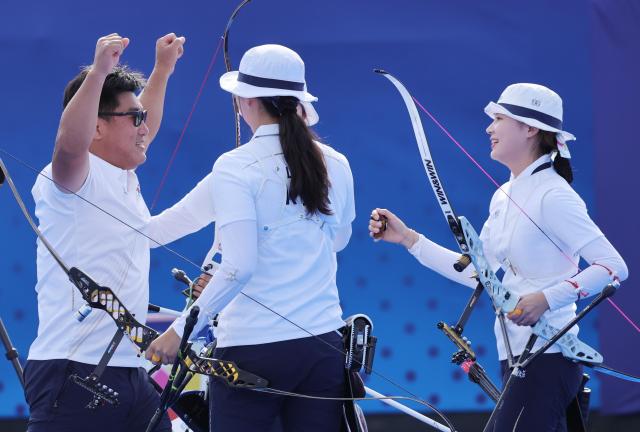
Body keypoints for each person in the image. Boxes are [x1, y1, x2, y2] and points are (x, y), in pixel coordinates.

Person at [368, 83, 628, 431]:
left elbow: (613, 266)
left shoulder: (554, 195)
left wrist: (546, 299)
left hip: (548, 357)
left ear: (531, 128)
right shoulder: (504, 195)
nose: (489, 128)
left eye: (499, 118)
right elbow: (479, 275)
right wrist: (408, 239)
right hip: (517, 356)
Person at [146, 44, 356, 432]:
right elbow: (338, 240)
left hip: (250, 351)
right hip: (321, 345)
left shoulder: (235, 167)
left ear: (247, 101)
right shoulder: (335, 163)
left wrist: (180, 331)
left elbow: (239, 266)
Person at [24, 33, 185, 432]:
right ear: (96, 128)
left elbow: (143, 123)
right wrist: (98, 73)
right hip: (73, 369)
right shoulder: (71, 176)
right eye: (134, 118)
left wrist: (162, 70)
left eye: (142, 117)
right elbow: (69, 143)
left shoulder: (123, 176)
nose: (144, 125)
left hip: (130, 371)